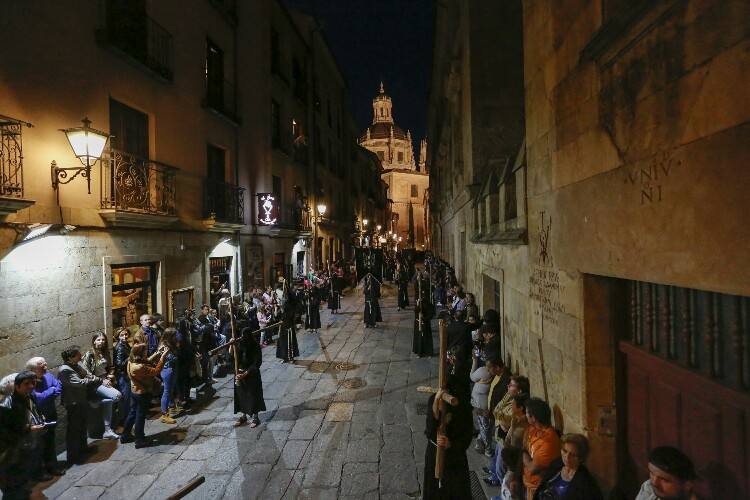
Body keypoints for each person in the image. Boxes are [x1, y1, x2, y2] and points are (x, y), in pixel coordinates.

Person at [422, 378, 473, 498]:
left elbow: (467, 435)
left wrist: (451, 444)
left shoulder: (462, 406)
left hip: (454, 458)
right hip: (434, 453)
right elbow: (429, 431)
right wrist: (436, 407)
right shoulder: (433, 400)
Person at [0, 371, 46, 499]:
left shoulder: (28, 397)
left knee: (22, 482)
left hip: (23, 448)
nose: (31, 386)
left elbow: (30, 414)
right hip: (10, 453)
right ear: (17, 386)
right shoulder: (6, 406)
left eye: (33, 383)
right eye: (27, 384)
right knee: (12, 486)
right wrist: (28, 429)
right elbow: (5, 432)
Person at [58, 346, 103, 464]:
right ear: (70, 357)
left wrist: (92, 377)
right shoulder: (65, 370)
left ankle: (83, 449)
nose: (81, 356)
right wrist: (93, 380)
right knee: (74, 429)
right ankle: (73, 456)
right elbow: (78, 383)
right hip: (73, 402)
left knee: (82, 426)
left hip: (80, 400)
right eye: (78, 355)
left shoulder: (76, 365)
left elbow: (86, 374)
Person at [120, 343, 169, 448]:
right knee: (140, 416)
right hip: (142, 393)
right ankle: (139, 440)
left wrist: (157, 353)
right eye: (145, 351)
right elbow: (156, 371)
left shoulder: (131, 361)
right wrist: (163, 358)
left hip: (135, 391)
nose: (146, 352)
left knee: (133, 413)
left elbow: (147, 360)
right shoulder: (139, 367)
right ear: (140, 353)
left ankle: (125, 435)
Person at [533, 433, 603, 500]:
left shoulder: (585, 482)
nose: (567, 457)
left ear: (581, 458)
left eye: (572, 454)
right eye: (565, 451)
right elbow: (542, 487)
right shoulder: (557, 464)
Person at [26, 357, 65, 477]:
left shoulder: (48, 375)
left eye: (45, 363)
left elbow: (59, 386)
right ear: (33, 370)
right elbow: (38, 399)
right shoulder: (29, 382)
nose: (45, 366)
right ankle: (40, 472)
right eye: (41, 365)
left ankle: (52, 467)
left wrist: (49, 392)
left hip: (50, 413)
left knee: (50, 442)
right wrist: (51, 391)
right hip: (38, 419)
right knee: (39, 445)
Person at [82, 333, 122, 439]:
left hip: (106, 380)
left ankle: (107, 431)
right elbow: (86, 373)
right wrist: (102, 381)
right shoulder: (89, 354)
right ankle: (95, 399)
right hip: (96, 383)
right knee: (117, 395)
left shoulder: (105, 352)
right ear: (94, 341)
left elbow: (111, 366)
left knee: (108, 403)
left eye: (103, 340)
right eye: (99, 340)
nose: (101, 342)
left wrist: (110, 375)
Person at [522, 398, 561, 500]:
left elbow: (532, 468)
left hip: (538, 488)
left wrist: (522, 453)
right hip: (527, 483)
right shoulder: (533, 428)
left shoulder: (548, 441)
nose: (525, 415)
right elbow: (524, 444)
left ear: (533, 417)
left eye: (526, 413)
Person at [635, 446, 700, 500]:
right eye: (652, 473)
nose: (654, 483)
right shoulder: (648, 487)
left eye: (664, 480)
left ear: (687, 485)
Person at [234, 326, 266, 428]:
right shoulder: (240, 344)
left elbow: (257, 362)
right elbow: (234, 358)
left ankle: (255, 417)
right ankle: (243, 416)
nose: (244, 338)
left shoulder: (255, 346)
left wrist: (246, 373)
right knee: (241, 395)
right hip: (240, 373)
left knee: (253, 395)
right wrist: (238, 372)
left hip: (252, 375)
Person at [158, 328, 180, 424]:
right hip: (167, 370)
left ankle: (171, 406)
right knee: (166, 391)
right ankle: (164, 414)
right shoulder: (164, 345)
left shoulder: (170, 343)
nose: (177, 336)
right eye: (175, 335)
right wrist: (177, 353)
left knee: (170, 389)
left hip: (171, 369)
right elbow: (170, 358)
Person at [112, 328, 132, 425]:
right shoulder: (120, 347)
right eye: (122, 335)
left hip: (126, 374)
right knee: (124, 398)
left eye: (126, 334)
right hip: (122, 376)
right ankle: (123, 420)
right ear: (118, 336)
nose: (125, 337)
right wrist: (130, 357)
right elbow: (119, 364)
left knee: (127, 398)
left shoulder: (125, 344)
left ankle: (126, 418)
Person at [276, 298, 300, 363]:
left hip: (289, 329)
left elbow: (290, 319)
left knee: (290, 344)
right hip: (283, 330)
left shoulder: (289, 312)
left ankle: (291, 358)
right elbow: (276, 316)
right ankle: (284, 358)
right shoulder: (281, 311)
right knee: (282, 344)